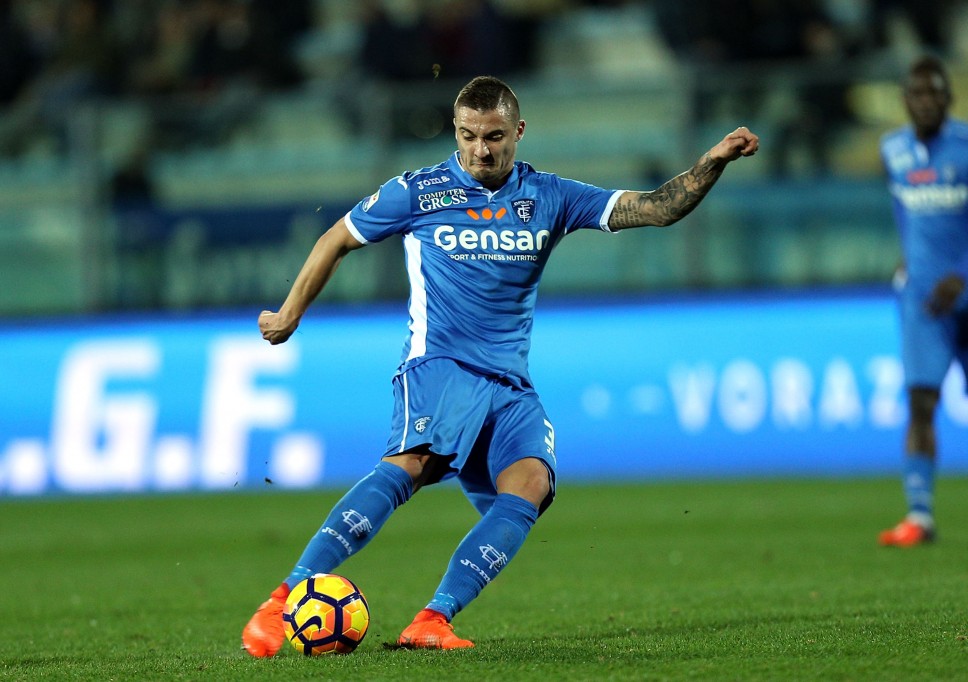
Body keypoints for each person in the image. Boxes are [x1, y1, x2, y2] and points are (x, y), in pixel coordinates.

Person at [241, 75, 759, 655]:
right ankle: (281, 600)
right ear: (455, 131)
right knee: (414, 463)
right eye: (468, 136)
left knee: (531, 483)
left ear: (518, 131)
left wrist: (712, 162)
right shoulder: (417, 192)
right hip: (440, 365)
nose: (480, 150)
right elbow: (336, 239)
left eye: (492, 137)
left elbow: (657, 209)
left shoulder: (550, 196)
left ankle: (432, 620)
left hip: (509, 384)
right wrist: (289, 314)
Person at [878, 56, 968, 547]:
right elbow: (902, 206)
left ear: (949, 99)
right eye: (917, 94)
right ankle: (919, 517)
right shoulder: (893, 149)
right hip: (922, 299)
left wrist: (962, 276)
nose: (926, 102)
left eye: (934, 94)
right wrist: (909, 257)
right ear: (905, 100)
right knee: (921, 401)